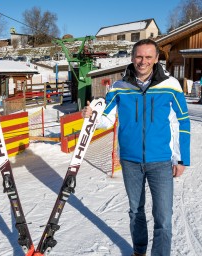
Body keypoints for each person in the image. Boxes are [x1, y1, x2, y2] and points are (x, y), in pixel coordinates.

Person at [81, 39, 190, 256]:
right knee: (135, 211)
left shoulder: (170, 85)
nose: (143, 61)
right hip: (130, 160)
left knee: (163, 217)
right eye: (139, 56)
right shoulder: (119, 87)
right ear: (132, 57)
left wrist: (181, 158)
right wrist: (92, 117)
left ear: (157, 59)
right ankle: (139, 251)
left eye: (149, 57)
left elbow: (182, 121)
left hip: (160, 160)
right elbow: (107, 119)